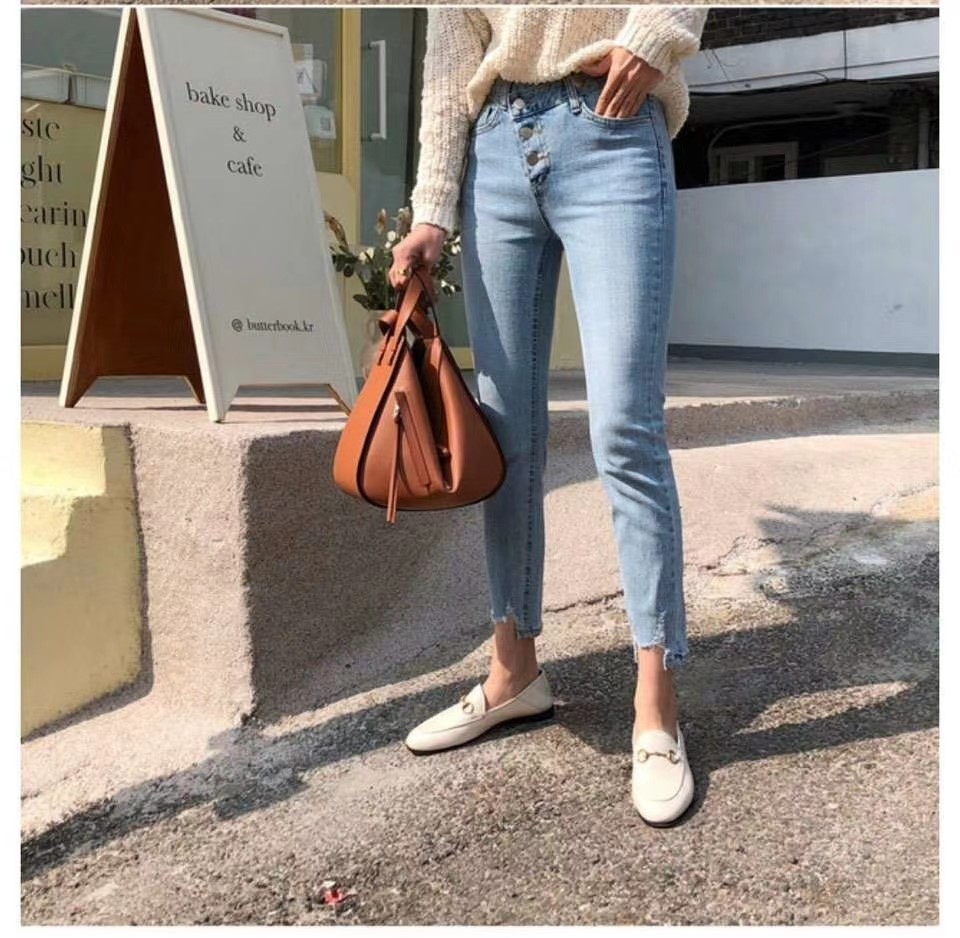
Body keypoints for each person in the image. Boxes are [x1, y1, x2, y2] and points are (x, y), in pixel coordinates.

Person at [388, 5, 709, 827]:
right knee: (505, 435)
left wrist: (654, 38)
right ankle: (514, 672)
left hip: (611, 130)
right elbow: (447, 64)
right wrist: (431, 210)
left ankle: (657, 703)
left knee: (625, 428)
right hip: (495, 148)